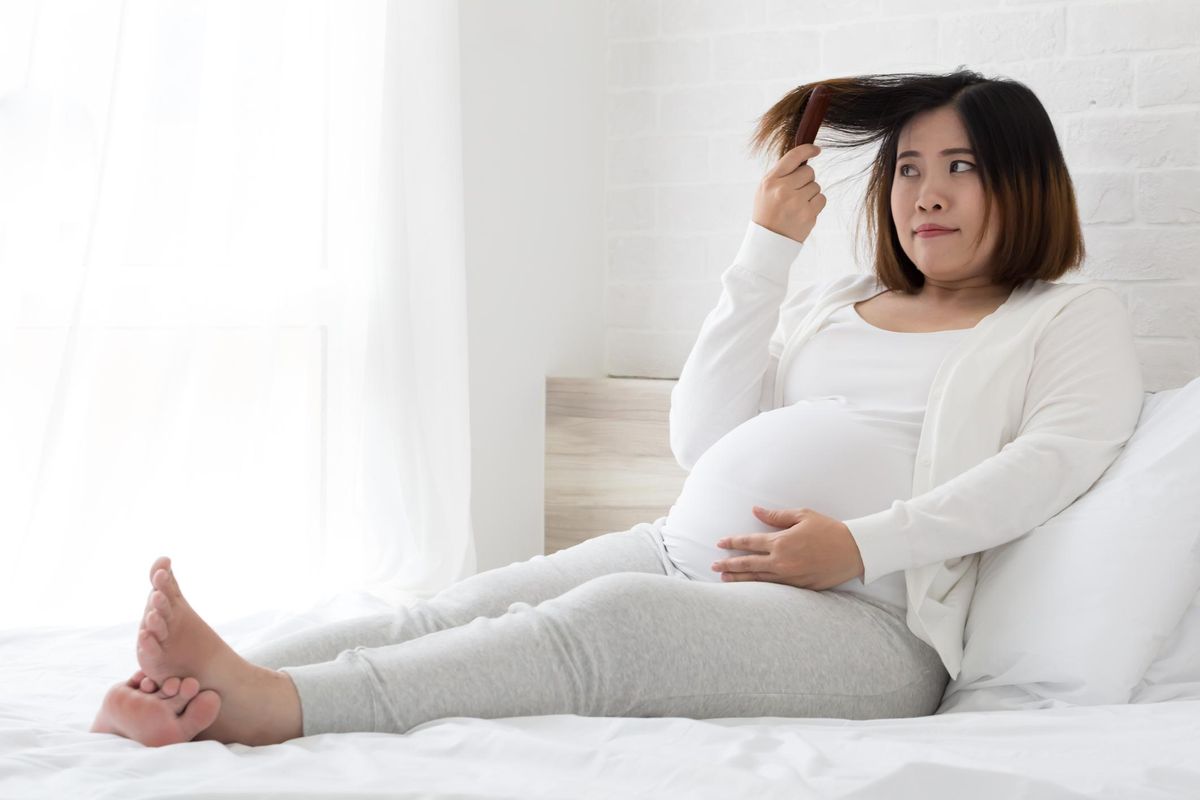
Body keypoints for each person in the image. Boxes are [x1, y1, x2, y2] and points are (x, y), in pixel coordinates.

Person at [89, 69, 1144, 746]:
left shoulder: (1066, 317)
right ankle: (218, 681)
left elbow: (1042, 470)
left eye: (960, 167)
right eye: (910, 168)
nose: (925, 193)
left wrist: (858, 547)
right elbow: (702, 436)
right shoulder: (841, 299)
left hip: (874, 626)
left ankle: (280, 705)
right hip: (680, 545)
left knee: (606, 626)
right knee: (460, 601)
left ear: (1024, 181)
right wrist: (768, 247)